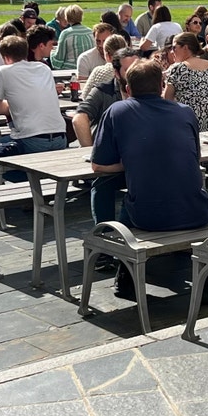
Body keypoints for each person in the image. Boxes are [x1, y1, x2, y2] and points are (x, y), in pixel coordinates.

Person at [92, 58, 208, 235]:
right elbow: (196, 158)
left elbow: (98, 166)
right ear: (162, 86)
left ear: (128, 89)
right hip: (198, 213)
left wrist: (132, 161)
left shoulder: (117, 111)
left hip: (149, 219)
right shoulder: (185, 111)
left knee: (102, 183)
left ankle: (104, 237)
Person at [75, 48, 139, 261]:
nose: (133, 73)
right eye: (128, 70)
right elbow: (79, 118)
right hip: (113, 162)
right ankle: (104, 241)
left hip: (138, 163)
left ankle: (125, 242)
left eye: (136, 68)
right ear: (116, 72)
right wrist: (90, 150)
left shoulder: (146, 90)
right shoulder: (103, 91)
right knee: (102, 184)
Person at [0, 32, 68, 180]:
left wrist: (14, 106)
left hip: (31, 139)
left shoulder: (4, 71)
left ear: (5, 57)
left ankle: (23, 189)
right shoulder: (43, 68)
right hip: (60, 138)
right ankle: (35, 185)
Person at [163, 31, 208, 131]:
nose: (171, 52)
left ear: (185, 48)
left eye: (174, 48)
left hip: (191, 125)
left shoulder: (178, 68)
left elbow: (167, 100)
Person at [53, 5, 93, 71]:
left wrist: (52, 52)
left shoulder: (66, 33)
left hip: (71, 69)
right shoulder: (90, 31)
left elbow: (59, 58)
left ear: (67, 18)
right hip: (89, 68)